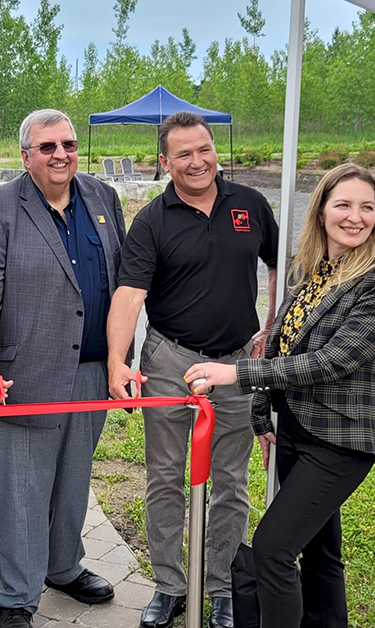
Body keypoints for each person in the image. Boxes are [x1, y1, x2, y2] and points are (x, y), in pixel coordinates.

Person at [185, 164, 375, 628]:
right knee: (321, 554)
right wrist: (264, 419)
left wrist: (234, 373)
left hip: (340, 443)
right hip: (294, 433)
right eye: (343, 204)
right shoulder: (311, 272)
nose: (355, 216)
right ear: (321, 210)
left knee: (271, 550)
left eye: (367, 207)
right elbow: (281, 343)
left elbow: (332, 361)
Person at [106, 110, 279, 628]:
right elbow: (129, 294)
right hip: (170, 360)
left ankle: (221, 587)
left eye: (203, 149)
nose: (197, 161)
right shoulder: (152, 221)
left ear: (215, 150)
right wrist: (118, 361)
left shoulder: (249, 204)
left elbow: (280, 263)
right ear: (165, 161)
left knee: (230, 479)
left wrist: (268, 327)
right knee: (164, 478)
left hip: (235, 365)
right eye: (183, 153)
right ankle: (169, 586)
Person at [0, 110, 126, 628]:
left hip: (92, 370)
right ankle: (15, 596)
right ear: (27, 154)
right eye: (48, 146)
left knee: (75, 480)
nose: (61, 155)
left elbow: (121, 281)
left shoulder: (102, 199)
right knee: (25, 491)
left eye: (69, 144)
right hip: (22, 377)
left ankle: (63, 567)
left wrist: (122, 359)